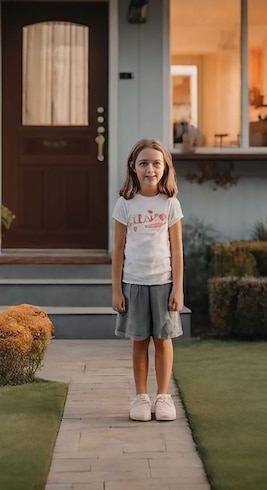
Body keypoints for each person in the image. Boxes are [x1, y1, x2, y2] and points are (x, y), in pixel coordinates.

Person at [111, 138, 184, 422]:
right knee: (139, 341)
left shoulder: (170, 204)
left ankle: (163, 396)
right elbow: (118, 249)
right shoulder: (125, 204)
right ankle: (141, 396)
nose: (150, 169)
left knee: (163, 340)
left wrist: (178, 287)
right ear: (133, 167)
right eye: (143, 163)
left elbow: (177, 249)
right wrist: (116, 289)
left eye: (156, 163)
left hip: (164, 283)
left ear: (165, 167)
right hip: (133, 284)